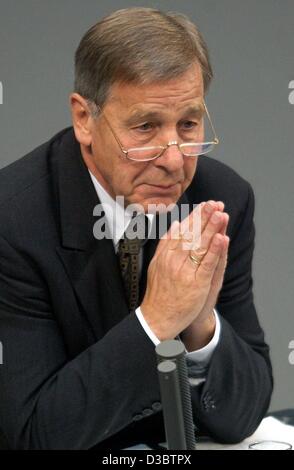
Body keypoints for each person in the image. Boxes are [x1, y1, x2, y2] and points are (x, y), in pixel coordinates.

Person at [0, 7, 273, 450]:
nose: (173, 159)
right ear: (84, 119)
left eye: (187, 124)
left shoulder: (222, 198)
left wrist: (199, 322)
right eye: (145, 128)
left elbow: (244, 413)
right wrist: (158, 319)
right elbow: (33, 435)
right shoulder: (12, 222)